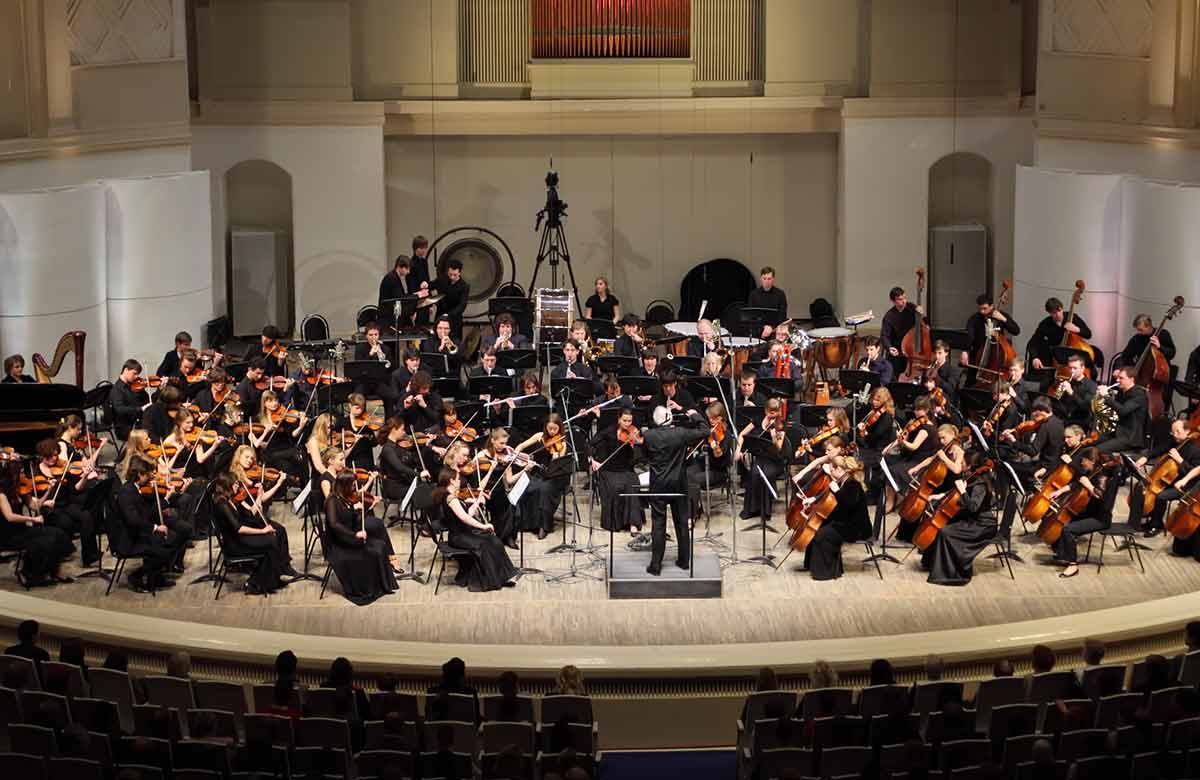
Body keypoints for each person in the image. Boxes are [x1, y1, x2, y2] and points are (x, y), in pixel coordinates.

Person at [641, 406, 710, 575]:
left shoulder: (648, 436)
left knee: (658, 524)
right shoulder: (680, 433)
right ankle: (684, 561)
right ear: (669, 418)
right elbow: (705, 430)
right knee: (681, 522)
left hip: (658, 484)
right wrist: (695, 415)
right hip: (678, 483)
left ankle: (656, 566)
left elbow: (645, 456)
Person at [432, 469, 518, 591]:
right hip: (458, 537)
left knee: (494, 540)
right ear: (451, 481)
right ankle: (490, 581)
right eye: (457, 478)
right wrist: (483, 526)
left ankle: (501, 578)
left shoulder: (453, 496)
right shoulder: (451, 499)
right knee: (484, 544)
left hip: (465, 533)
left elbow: (468, 513)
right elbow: (465, 518)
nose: (459, 481)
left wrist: (477, 503)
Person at [921, 451, 997, 586]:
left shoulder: (981, 485)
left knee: (946, 532)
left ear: (969, 466)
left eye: (962, 463)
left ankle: (951, 573)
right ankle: (932, 563)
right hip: (972, 520)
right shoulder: (971, 477)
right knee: (943, 526)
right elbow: (956, 494)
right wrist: (940, 496)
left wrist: (962, 491)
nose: (960, 464)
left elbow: (973, 507)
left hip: (982, 525)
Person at [211, 473, 294, 594]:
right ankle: (254, 583)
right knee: (270, 541)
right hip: (235, 544)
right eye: (235, 484)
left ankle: (271, 580)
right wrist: (262, 531)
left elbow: (250, 514)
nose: (237, 487)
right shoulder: (222, 504)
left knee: (272, 539)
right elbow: (239, 528)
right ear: (227, 485)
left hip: (239, 538)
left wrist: (259, 496)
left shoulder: (230, 499)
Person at [324, 472, 399, 605]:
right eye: (352, 485)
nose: (355, 487)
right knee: (371, 552)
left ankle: (383, 586)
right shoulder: (332, 500)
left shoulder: (346, 498)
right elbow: (334, 524)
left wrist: (359, 511)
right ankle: (367, 589)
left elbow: (356, 523)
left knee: (380, 546)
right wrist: (355, 535)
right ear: (345, 485)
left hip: (349, 537)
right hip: (339, 543)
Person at [116, 458, 188, 592]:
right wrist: (155, 528)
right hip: (128, 540)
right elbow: (133, 520)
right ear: (139, 474)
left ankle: (155, 576)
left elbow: (146, 514)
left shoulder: (135, 489)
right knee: (163, 549)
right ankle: (136, 576)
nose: (150, 477)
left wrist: (165, 500)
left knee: (172, 539)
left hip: (136, 533)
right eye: (147, 474)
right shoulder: (126, 492)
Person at [1049, 447, 1119, 578]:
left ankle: (1073, 565)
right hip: (1090, 512)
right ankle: (1062, 553)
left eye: (1084, 461)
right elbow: (1076, 484)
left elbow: (1100, 495)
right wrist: (1059, 491)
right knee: (1065, 520)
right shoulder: (1094, 471)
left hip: (1100, 518)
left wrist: (1088, 485)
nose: (1081, 463)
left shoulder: (1103, 476)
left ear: (1092, 461)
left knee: (1069, 529)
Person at [31, 437, 100, 567]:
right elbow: (32, 498)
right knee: (66, 522)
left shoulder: (63, 468)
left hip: (65, 504)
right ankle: (61, 552)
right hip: (49, 508)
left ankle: (90, 556)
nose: (53, 459)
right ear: (42, 457)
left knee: (86, 516)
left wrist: (84, 476)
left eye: (56, 456)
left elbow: (76, 488)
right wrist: (45, 502)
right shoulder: (35, 472)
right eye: (49, 457)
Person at [0, 466, 74, 587]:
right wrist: (32, 519)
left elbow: (36, 506)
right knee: (44, 541)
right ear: (13, 475)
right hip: (9, 535)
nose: (26, 475)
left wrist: (48, 491)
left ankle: (55, 571)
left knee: (57, 533)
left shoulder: (22, 489)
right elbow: (9, 517)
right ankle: (29, 573)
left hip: (21, 530)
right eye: (23, 472)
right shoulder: (2, 494)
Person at [1127, 418, 1200, 537]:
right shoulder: (1174, 443)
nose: (1175, 435)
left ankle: (1157, 524)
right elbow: (1157, 450)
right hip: (1168, 480)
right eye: (1173, 432)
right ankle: (1146, 519)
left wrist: (1180, 460)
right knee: (1142, 489)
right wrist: (1145, 457)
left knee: (1161, 496)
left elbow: (1194, 472)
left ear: (1187, 431)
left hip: (1185, 486)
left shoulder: (1195, 450)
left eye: (1178, 431)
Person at [802, 456, 871, 581]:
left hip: (855, 527)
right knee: (818, 528)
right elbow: (826, 494)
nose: (831, 473)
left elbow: (849, 505)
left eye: (832, 470)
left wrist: (837, 491)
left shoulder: (853, 484)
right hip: (844, 521)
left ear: (839, 469)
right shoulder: (842, 481)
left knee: (822, 534)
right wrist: (813, 499)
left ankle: (827, 572)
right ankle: (811, 566)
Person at [589, 407, 645, 534]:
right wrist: (592, 460)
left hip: (626, 469)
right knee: (614, 487)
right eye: (624, 420)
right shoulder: (608, 432)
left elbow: (639, 457)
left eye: (630, 421)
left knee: (632, 486)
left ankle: (633, 524)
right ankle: (616, 522)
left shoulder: (634, 432)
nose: (627, 424)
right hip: (608, 469)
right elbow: (590, 444)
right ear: (619, 419)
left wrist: (637, 444)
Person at [736, 398, 789, 525]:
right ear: (766, 411)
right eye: (771, 412)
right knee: (754, 473)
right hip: (761, 457)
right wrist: (738, 449)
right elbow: (742, 434)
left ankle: (765, 511)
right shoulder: (758, 419)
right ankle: (752, 510)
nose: (773, 415)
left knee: (766, 474)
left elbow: (779, 448)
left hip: (775, 459)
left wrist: (773, 438)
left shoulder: (781, 424)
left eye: (776, 412)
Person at [250, 390, 308, 480]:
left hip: (285, 448)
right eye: (270, 401)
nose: (275, 403)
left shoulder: (283, 417)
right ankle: (297, 481)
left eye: (276, 400)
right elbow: (256, 444)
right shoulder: (257, 419)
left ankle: (303, 484)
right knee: (294, 454)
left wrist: (301, 426)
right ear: (264, 403)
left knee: (295, 461)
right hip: (270, 451)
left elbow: (293, 434)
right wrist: (266, 432)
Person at [959, 292, 1021, 376]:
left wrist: (1003, 319)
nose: (982, 311)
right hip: (978, 356)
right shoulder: (974, 319)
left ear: (991, 306)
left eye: (985, 308)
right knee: (970, 382)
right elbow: (969, 335)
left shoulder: (1001, 315)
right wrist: (965, 351)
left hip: (996, 357)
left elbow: (1016, 331)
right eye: (980, 309)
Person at [1029, 297, 1093, 371]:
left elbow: (1088, 334)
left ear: (1062, 308)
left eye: (1059, 311)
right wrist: (1035, 358)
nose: (1058, 314)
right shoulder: (1045, 324)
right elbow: (1033, 343)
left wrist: (1077, 329)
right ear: (1049, 313)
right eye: (1054, 313)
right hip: (1057, 360)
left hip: (1075, 359)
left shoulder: (1073, 317)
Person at [1095, 366, 1147, 455]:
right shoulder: (1123, 392)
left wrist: (1106, 396)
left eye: (1121, 378)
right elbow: (1114, 406)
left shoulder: (1138, 394)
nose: (1117, 380)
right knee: (1092, 442)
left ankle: (1111, 466)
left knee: (1099, 449)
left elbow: (1123, 410)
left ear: (1131, 379)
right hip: (1118, 432)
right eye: (1117, 378)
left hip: (1130, 437)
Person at [881, 285, 922, 377]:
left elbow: (923, 324)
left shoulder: (912, 308)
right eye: (900, 299)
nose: (904, 301)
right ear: (893, 301)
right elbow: (884, 336)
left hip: (914, 349)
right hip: (898, 349)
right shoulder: (889, 316)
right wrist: (889, 347)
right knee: (894, 369)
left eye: (904, 298)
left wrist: (922, 314)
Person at [1052, 353, 1096, 430]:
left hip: (1080, 422)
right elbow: (1057, 403)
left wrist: (1071, 393)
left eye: (1075, 368)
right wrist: (1058, 392)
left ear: (1082, 368)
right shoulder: (1068, 382)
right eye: (1070, 368)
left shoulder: (1091, 385)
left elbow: (1086, 407)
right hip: (1064, 418)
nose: (1072, 371)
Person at [109, 359, 150, 440]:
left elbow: (147, 400)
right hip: (126, 426)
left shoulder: (136, 386)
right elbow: (119, 409)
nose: (136, 377)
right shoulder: (117, 389)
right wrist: (140, 409)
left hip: (139, 421)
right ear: (126, 370)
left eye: (138, 374)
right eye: (134, 373)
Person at [746, 266, 788, 340]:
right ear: (761, 279)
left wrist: (771, 328)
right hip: (759, 329)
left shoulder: (780, 294)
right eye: (764, 278)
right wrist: (764, 327)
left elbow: (782, 316)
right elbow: (752, 316)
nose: (766, 281)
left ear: (773, 279)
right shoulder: (754, 294)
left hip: (775, 329)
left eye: (769, 278)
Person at [432, 259, 470, 338]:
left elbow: (462, 306)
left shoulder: (464, 286)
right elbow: (432, 285)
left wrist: (449, 315)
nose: (452, 277)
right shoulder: (442, 280)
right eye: (450, 274)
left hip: (454, 320)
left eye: (455, 275)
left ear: (459, 273)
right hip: (440, 317)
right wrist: (425, 284)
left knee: (455, 342)